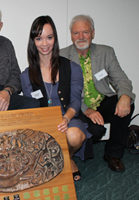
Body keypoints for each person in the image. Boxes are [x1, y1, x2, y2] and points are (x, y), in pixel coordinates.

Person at [21, 16, 92, 181]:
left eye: (49, 37)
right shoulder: (26, 75)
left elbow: (75, 100)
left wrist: (65, 119)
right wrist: (48, 123)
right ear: (33, 41)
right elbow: (31, 106)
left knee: (74, 136)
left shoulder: (72, 67)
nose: (44, 43)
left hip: (69, 116)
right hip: (43, 121)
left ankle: (67, 159)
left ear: (55, 39)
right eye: (39, 38)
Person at [60, 15, 135, 172]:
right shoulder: (61, 56)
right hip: (78, 107)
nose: (81, 37)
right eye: (76, 33)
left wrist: (125, 97)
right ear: (71, 35)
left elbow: (121, 80)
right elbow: (64, 93)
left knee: (125, 103)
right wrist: (86, 109)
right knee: (96, 132)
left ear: (93, 33)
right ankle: (73, 152)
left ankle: (113, 154)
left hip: (102, 102)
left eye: (85, 32)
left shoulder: (106, 52)